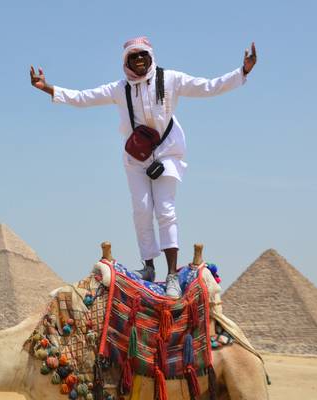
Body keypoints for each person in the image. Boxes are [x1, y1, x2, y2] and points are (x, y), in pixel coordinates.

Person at [30, 37, 257, 297]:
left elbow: (207, 87)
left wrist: (243, 71)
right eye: (133, 56)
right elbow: (84, 97)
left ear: (150, 57)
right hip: (136, 156)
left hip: (167, 153)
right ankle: (148, 267)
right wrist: (47, 88)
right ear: (126, 61)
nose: (139, 60)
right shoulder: (119, 88)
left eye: (143, 55)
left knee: (165, 209)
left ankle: (171, 274)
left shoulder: (170, 79)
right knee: (140, 209)